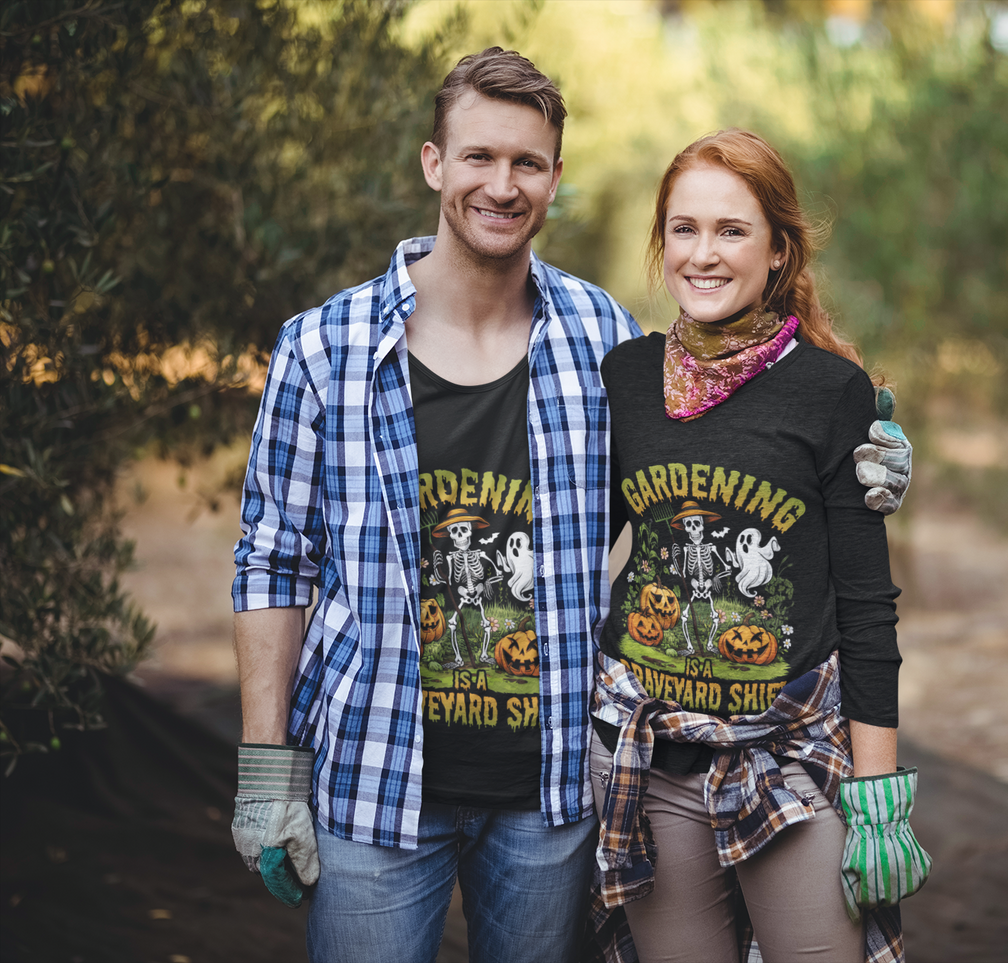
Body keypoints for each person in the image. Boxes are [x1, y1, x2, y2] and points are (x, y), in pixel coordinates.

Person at [228, 50, 913, 963]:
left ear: (555, 179)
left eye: (527, 164)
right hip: (373, 781)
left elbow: (707, 459)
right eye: (478, 157)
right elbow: (272, 558)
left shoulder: (598, 337)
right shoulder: (323, 347)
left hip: (554, 800)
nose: (501, 185)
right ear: (434, 164)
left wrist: (858, 467)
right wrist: (266, 767)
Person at [589, 130, 930, 963]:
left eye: (732, 231)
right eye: (683, 228)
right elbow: (573, 537)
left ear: (778, 250)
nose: (702, 254)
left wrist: (877, 790)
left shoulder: (830, 392)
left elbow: (864, 604)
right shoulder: (625, 379)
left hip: (792, 765)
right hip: (652, 757)